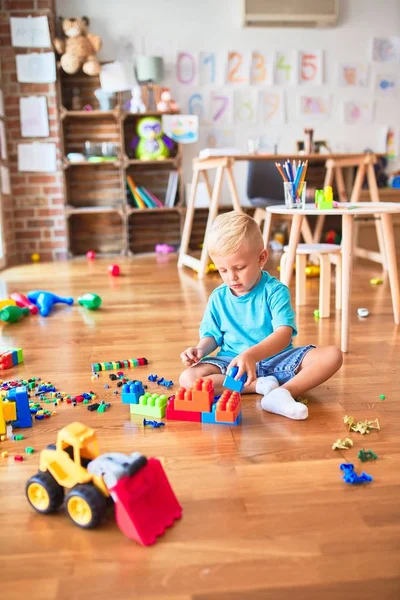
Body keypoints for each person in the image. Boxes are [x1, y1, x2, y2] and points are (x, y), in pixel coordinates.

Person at [179, 212, 342, 420]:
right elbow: (212, 336)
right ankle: (258, 386)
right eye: (223, 270)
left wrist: (252, 355)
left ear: (261, 258)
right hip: (233, 365)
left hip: (279, 360)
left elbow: (283, 334)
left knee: (333, 355)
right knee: (188, 378)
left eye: (239, 268)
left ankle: (283, 393)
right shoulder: (218, 297)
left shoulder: (275, 291)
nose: (232, 277)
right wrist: (199, 350)